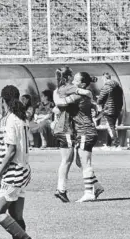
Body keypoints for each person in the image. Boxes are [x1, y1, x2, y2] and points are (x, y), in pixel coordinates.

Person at [0, 85, 39, 239]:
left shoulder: (11, 119)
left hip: (14, 171)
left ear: (3, 100)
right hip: (23, 169)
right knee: (16, 216)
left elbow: (10, 150)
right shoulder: (21, 117)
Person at [53, 72, 105, 202]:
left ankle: (88, 193)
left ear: (82, 84)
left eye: (76, 80)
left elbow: (59, 104)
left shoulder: (77, 96)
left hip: (84, 131)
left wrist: (55, 94)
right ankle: (97, 186)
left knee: (85, 163)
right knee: (79, 162)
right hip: (86, 131)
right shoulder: (83, 94)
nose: (73, 83)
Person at [52, 66, 77, 202]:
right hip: (65, 128)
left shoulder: (57, 90)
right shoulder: (68, 89)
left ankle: (95, 185)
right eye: (71, 75)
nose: (73, 78)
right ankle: (61, 189)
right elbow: (58, 104)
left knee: (71, 159)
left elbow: (57, 107)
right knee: (66, 160)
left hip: (63, 128)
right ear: (67, 77)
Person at [98, 72, 124, 150]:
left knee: (110, 126)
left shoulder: (106, 86)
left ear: (105, 78)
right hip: (117, 109)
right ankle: (108, 145)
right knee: (110, 126)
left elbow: (100, 99)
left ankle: (117, 144)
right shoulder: (118, 87)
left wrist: (98, 102)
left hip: (108, 109)